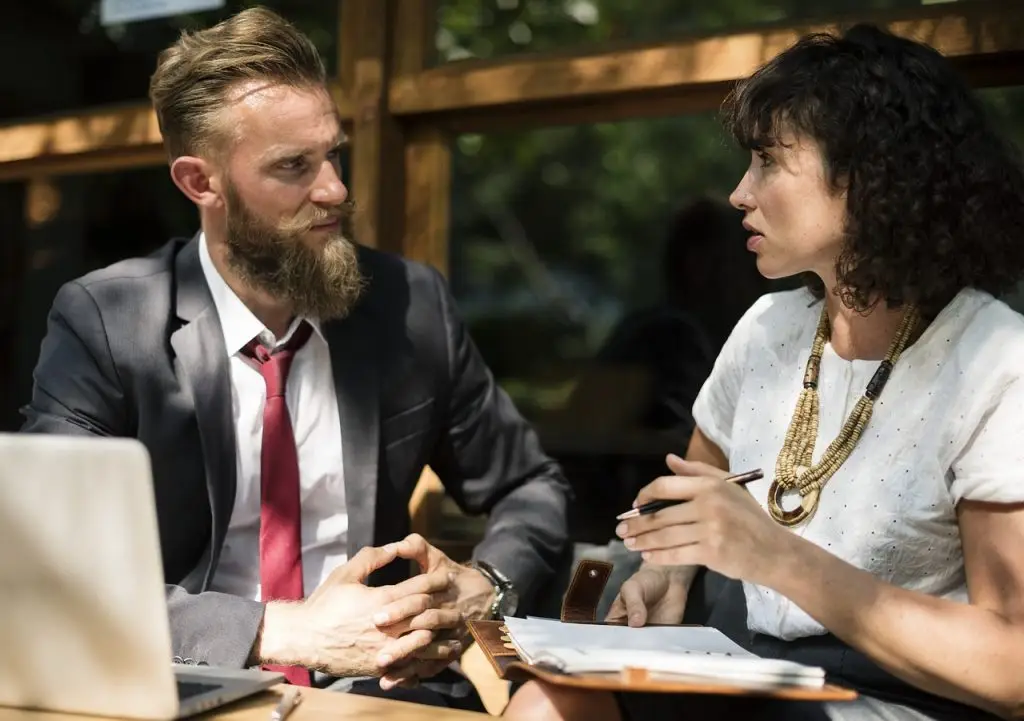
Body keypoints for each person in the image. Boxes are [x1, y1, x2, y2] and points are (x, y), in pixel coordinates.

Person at [20, 7, 570, 712]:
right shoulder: (107, 322)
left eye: (333, 153)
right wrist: (283, 628)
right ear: (201, 183)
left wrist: (487, 582)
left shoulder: (409, 303)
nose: (335, 188)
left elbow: (532, 485)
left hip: (383, 690)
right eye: (293, 167)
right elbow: (50, 572)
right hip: (187, 684)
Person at [504, 22, 1024, 721]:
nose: (739, 193)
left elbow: (1012, 664)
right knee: (548, 700)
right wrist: (668, 569)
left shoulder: (996, 360)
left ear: (869, 177)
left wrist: (776, 556)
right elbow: (697, 491)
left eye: (768, 162)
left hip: (904, 701)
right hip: (754, 676)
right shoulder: (767, 329)